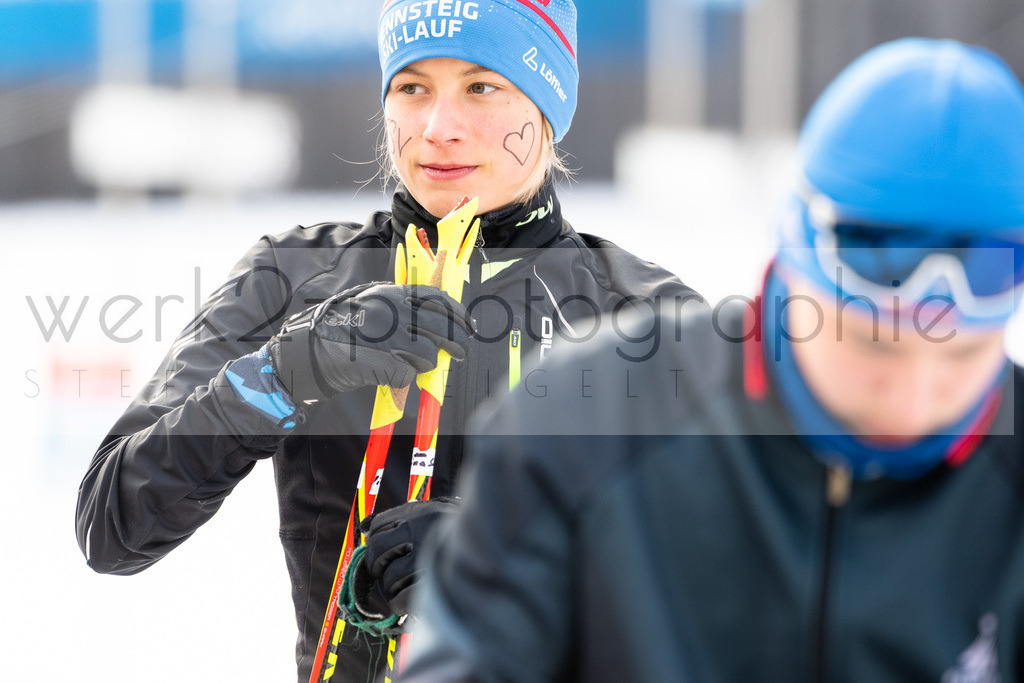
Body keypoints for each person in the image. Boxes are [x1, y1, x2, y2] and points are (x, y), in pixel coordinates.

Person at [74, 1, 700, 681]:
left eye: (481, 86)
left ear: (548, 106)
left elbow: (740, 577)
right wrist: (288, 372)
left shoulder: (644, 316)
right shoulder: (292, 279)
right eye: (412, 88)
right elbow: (114, 523)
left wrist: (509, 556)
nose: (438, 128)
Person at [399, 38, 1024, 682]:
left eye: (964, 359)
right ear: (788, 278)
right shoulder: (583, 420)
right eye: (872, 344)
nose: (913, 401)